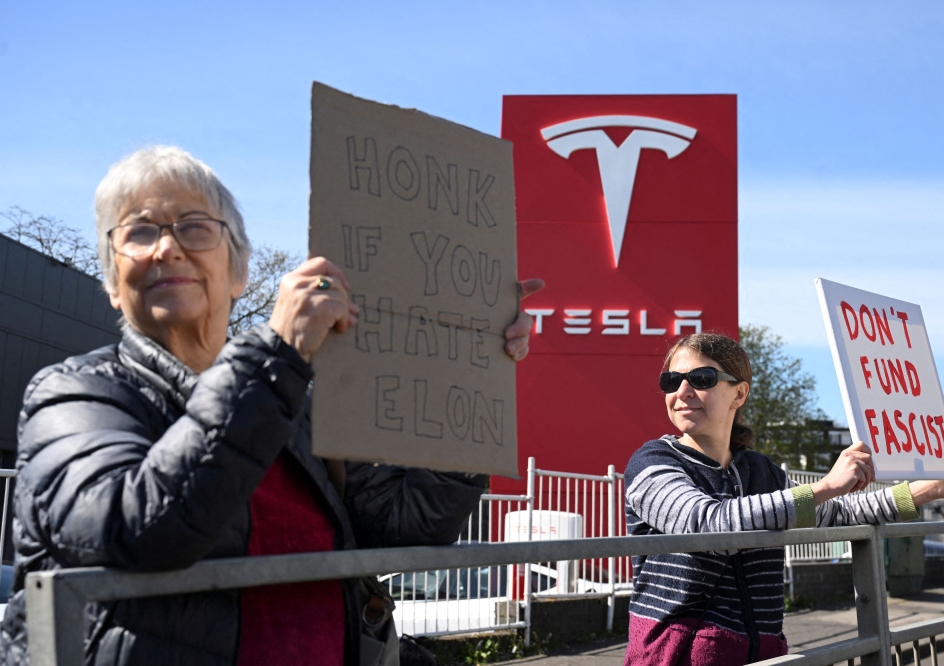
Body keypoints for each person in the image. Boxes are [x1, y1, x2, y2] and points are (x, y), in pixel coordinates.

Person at [0, 146, 543, 666]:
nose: (166, 248)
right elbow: (141, 533)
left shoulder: (296, 409)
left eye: (194, 227)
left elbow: (410, 521)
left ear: (239, 272)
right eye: (139, 232)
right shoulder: (74, 396)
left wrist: (473, 372)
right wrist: (279, 350)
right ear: (113, 285)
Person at [624, 332, 944, 666]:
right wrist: (826, 486)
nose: (683, 391)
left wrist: (930, 489)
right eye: (672, 380)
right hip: (672, 656)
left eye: (701, 378)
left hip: (764, 655)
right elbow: (705, 525)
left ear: (739, 393)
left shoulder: (761, 470)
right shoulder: (652, 462)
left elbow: (840, 514)